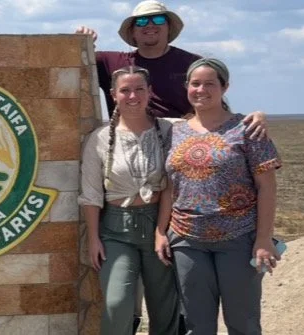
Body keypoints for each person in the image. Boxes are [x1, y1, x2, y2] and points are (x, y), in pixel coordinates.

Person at [155, 58, 281, 335]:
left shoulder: (247, 129)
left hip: (238, 239)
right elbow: (168, 186)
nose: (201, 90)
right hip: (187, 240)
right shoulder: (174, 131)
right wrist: (160, 231)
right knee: (196, 323)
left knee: (242, 321)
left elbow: (267, 187)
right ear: (186, 87)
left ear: (225, 87)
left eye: (210, 83)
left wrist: (263, 239)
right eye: (195, 83)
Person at [79, 65, 180, 335]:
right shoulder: (99, 139)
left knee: (164, 306)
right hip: (115, 229)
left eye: (139, 89)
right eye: (125, 90)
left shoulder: (169, 130)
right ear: (113, 94)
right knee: (116, 304)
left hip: (159, 223)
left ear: (150, 92)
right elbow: (91, 194)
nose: (132, 96)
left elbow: (209, 123)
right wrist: (93, 239)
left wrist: (256, 117)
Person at [76, 0, 269, 140]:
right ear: (133, 32)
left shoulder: (192, 63)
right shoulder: (110, 62)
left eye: (158, 20)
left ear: (169, 27)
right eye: (141, 22)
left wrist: (250, 119)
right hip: (128, 146)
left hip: (179, 142)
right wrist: (80, 42)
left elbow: (215, 104)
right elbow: (70, 65)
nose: (150, 25)